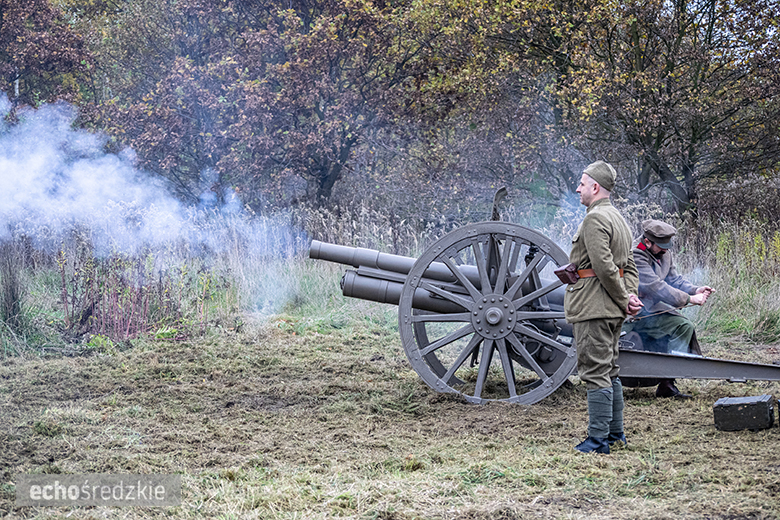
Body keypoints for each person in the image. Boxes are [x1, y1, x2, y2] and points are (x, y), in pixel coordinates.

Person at [564, 160, 642, 454]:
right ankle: (615, 434)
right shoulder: (619, 219)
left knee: (595, 373)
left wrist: (624, 298)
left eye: (582, 184)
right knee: (610, 371)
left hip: (594, 306)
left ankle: (597, 441)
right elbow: (629, 267)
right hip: (612, 308)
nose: (578, 189)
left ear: (595, 187)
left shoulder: (595, 219)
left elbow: (604, 267)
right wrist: (629, 297)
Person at [621, 219, 715, 398]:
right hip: (626, 312)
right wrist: (689, 299)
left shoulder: (664, 253)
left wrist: (695, 289)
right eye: (661, 245)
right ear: (647, 242)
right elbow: (656, 287)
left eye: (667, 245)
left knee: (683, 326)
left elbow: (674, 280)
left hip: (650, 311)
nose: (665, 249)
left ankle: (667, 382)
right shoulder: (635, 254)